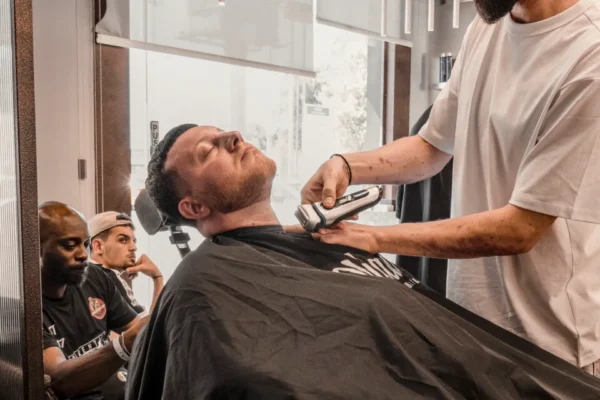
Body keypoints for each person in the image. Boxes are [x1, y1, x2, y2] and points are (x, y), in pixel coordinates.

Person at [125, 124, 600, 399]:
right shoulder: (205, 289)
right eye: (208, 151)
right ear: (193, 209)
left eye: (221, 132)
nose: (232, 135)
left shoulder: (319, 240)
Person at [301, 0, 600, 373]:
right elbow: (431, 146)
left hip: (550, 349)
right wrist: (346, 166)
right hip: (471, 326)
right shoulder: (487, 27)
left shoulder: (590, 56)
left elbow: (519, 230)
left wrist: (375, 238)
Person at [40, 201, 148, 399]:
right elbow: (61, 379)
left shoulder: (95, 277)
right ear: (36, 250)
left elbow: (139, 332)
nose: (83, 254)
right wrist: (125, 343)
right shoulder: (27, 310)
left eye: (85, 244)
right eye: (70, 245)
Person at [88, 211, 164, 314]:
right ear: (98, 246)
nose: (134, 248)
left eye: (134, 241)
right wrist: (157, 277)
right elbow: (150, 328)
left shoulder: (89, 275)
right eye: (123, 240)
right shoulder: (107, 276)